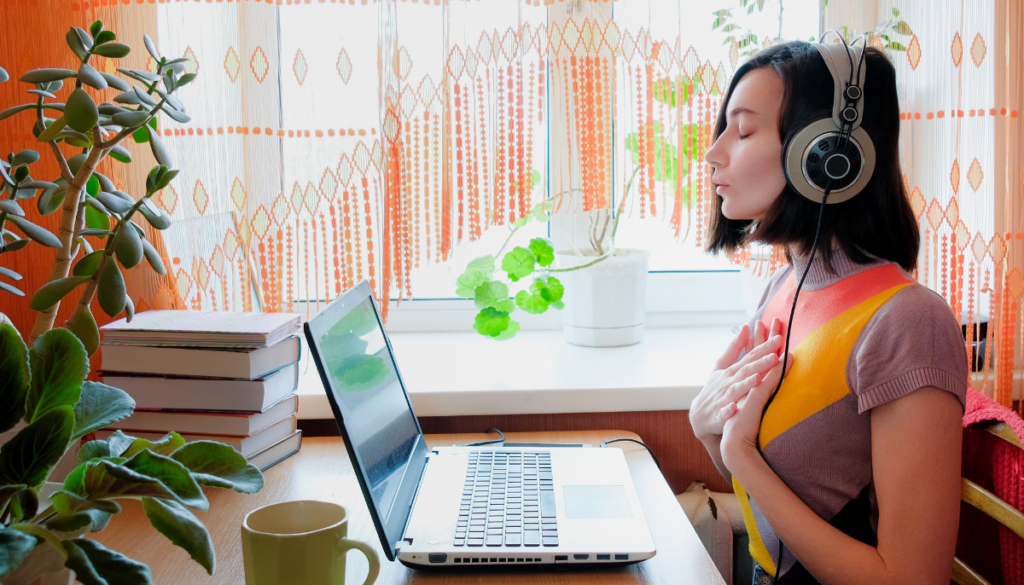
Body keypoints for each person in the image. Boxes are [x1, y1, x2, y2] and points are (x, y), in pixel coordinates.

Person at [691, 40, 968, 585]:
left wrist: (739, 455)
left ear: (827, 157)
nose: (713, 153)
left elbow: (911, 579)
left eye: (743, 131)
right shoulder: (781, 287)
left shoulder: (908, 323)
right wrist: (709, 432)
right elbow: (790, 491)